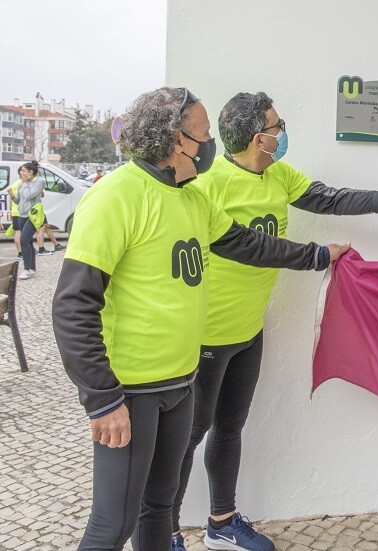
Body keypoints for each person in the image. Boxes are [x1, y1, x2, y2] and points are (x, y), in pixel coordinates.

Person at [51, 87, 350, 551]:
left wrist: (316, 256)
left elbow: (250, 244)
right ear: (177, 140)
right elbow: (73, 306)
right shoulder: (116, 196)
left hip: (181, 382)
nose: (213, 142)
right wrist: (102, 400)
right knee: (112, 524)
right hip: (131, 390)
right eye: (205, 132)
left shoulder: (190, 197)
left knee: (158, 508)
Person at [170, 91, 378, 551]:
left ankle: (221, 523)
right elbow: (245, 246)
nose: (282, 130)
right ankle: (165, 532)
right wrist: (314, 255)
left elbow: (327, 199)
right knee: (188, 436)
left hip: (249, 330)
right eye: (277, 124)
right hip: (204, 334)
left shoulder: (278, 174)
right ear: (259, 138)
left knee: (231, 427)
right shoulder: (209, 184)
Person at [12, 161, 45, 280]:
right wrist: (12, 196)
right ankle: (32, 268)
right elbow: (19, 200)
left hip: (33, 216)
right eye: (21, 170)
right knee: (29, 241)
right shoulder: (21, 184)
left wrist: (26, 183)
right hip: (22, 215)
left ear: (30, 172)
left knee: (23, 240)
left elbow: (29, 195)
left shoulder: (39, 182)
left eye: (24, 170)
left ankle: (26, 269)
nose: (21, 172)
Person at [7, 168, 23, 259]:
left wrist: (11, 209)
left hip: (15, 210)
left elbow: (10, 198)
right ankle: (25, 251)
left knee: (17, 232)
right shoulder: (24, 184)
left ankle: (19, 253)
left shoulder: (14, 184)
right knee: (23, 232)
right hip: (23, 211)